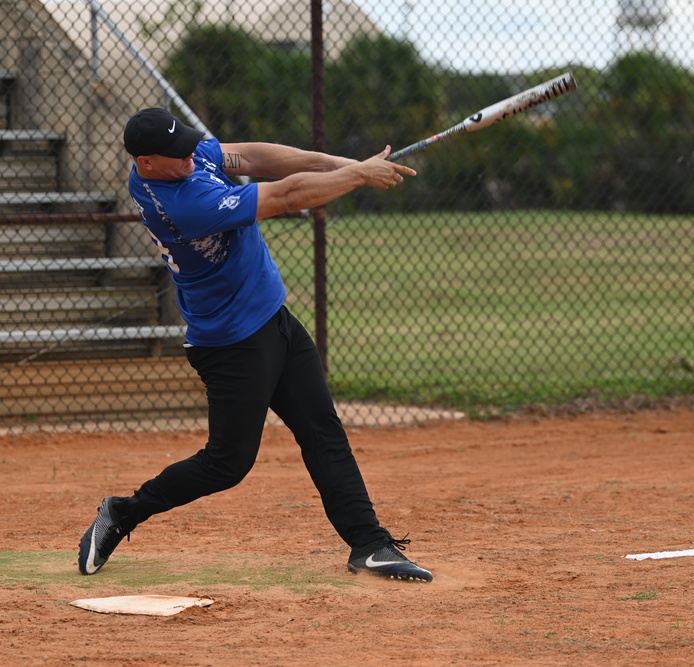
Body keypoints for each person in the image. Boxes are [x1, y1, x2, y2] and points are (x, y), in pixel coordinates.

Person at [78, 107, 433, 581]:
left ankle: (369, 544)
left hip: (273, 319)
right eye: (176, 153)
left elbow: (258, 159)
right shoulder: (185, 206)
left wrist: (339, 164)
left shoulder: (183, 158)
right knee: (227, 464)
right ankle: (123, 512)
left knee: (322, 430)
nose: (190, 155)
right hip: (231, 344)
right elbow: (287, 194)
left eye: (188, 146)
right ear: (145, 161)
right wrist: (358, 176)